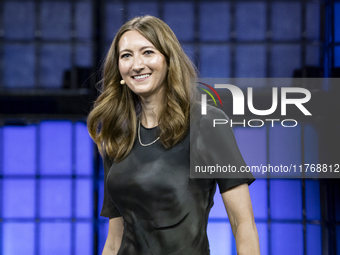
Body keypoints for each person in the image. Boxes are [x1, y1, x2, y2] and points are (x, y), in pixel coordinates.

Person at [87, 15, 260, 255]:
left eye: (147, 52)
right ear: (119, 70)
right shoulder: (118, 133)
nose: (137, 64)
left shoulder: (207, 122)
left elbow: (243, 224)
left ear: (169, 61)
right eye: (126, 55)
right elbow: (114, 240)